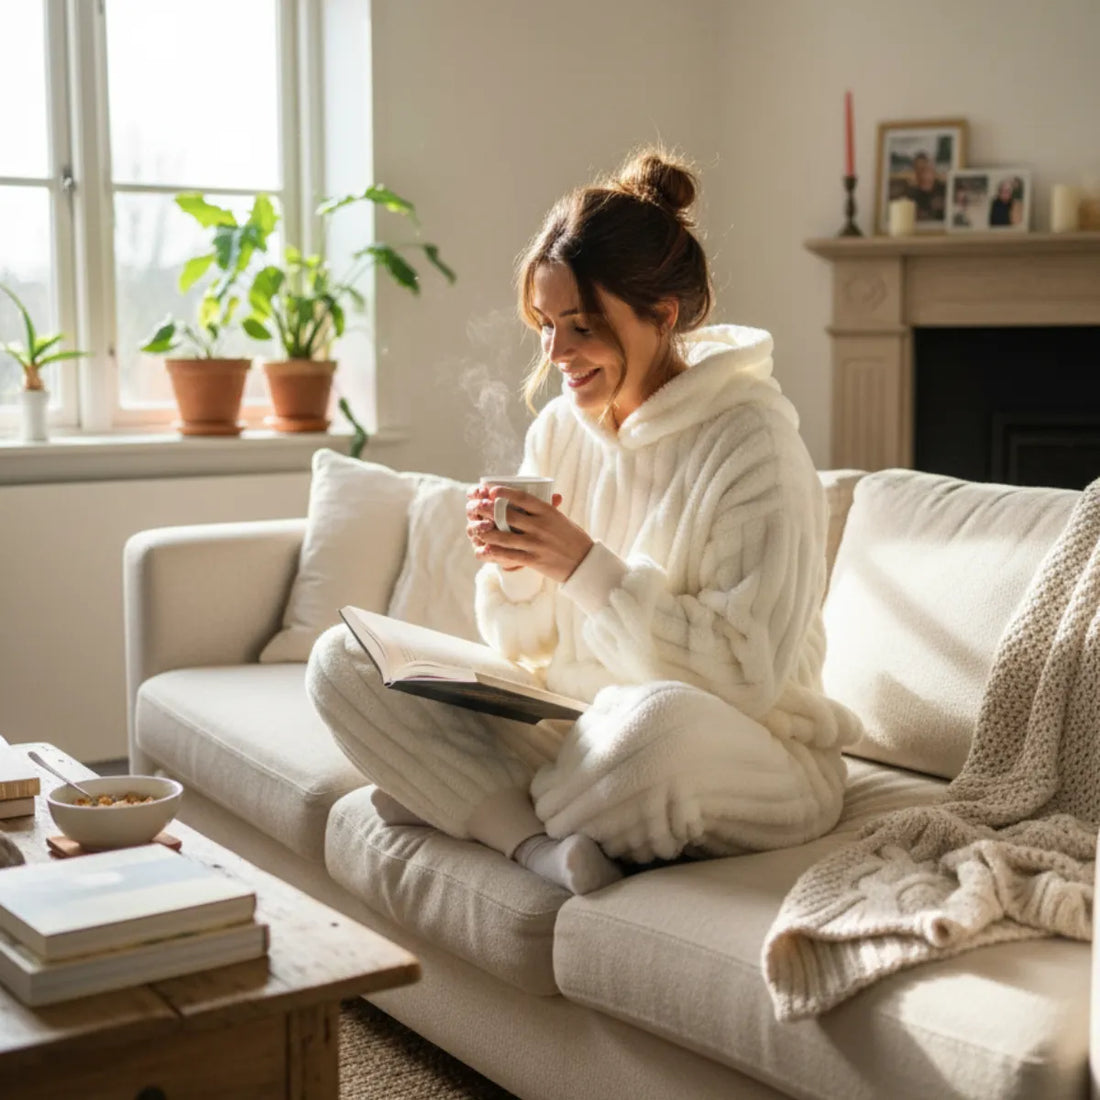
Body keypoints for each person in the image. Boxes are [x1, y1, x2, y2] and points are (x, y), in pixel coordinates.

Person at [306, 148, 863, 895]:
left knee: (653, 733)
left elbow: (741, 680)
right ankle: (536, 841)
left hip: (741, 750)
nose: (557, 353)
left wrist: (581, 567)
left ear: (660, 317)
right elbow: (522, 646)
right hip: (575, 729)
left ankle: (472, 809)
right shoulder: (562, 431)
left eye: (581, 326)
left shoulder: (753, 444)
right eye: (545, 324)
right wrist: (516, 572)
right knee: (344, 658)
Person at [906, 151, 947, 223]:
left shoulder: (944, 190)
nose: (922, 176)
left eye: (926, 170)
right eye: (918, 170)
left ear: (933, 171)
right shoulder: (911, 194)